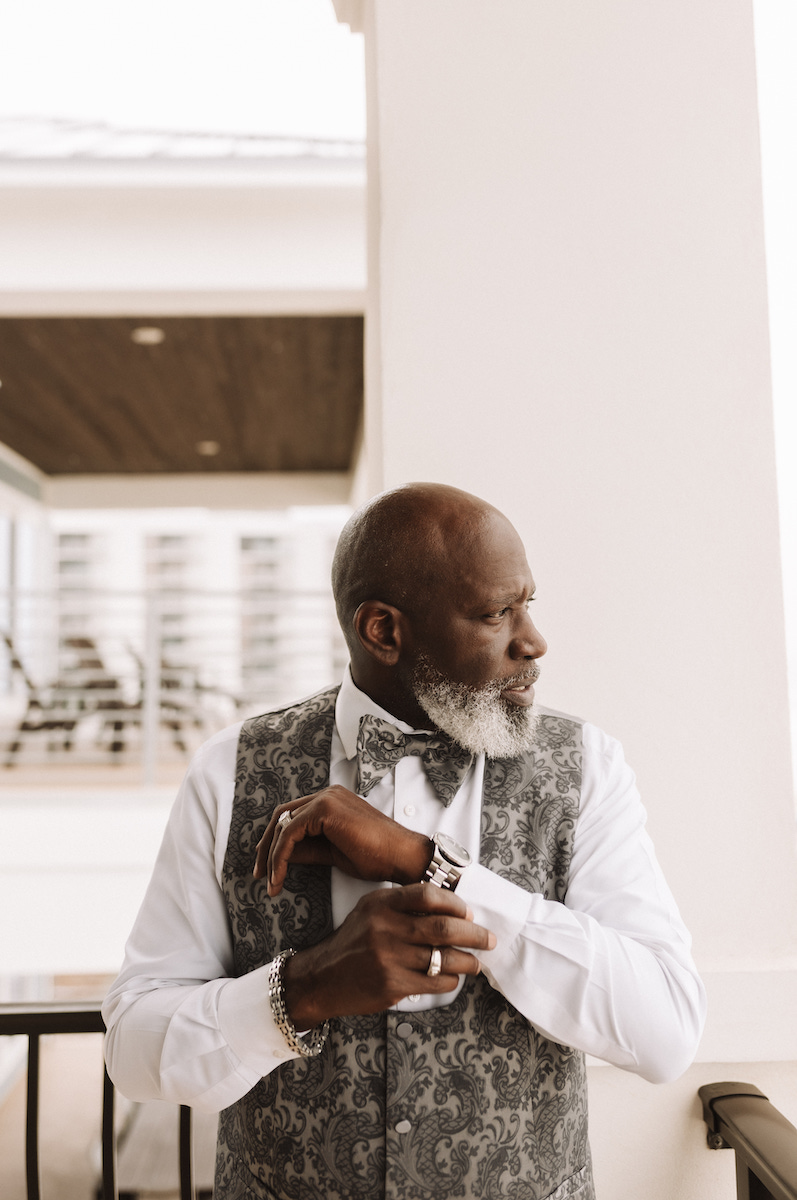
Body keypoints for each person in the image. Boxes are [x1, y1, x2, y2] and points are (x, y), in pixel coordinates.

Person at [103, 482, 705, 1200]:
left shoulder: (586, 768)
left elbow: (664, 1030)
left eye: (527, 604)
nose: (532, 641)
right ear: (383, 631)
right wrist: (306, 989)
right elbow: (133, 1050)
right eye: (494, 613)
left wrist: (431, 865)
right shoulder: (230, 772)